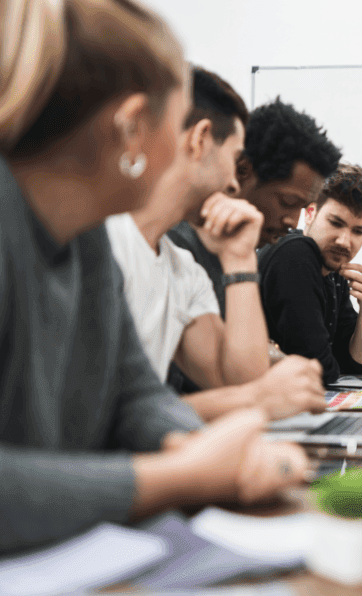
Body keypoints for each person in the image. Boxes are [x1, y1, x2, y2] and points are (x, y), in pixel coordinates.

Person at [0, 0, 309, 554]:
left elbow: (135, 394)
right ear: (132, 126)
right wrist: (182, 476)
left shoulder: (87, 235)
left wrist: (219, 454)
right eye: (178, 116)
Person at [105, 66, 325, 421]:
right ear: (201, 139)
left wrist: (240, 260)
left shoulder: (181, 269)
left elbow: (239, 380)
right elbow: (99, 420)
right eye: (234, 159)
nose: (234, 183)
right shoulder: (101, 242)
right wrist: (254, 400)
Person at [166, 97, 342, 393]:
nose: (292, 221)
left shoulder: (233, 250)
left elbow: (241, 370)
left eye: (303, 208)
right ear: (243, 171)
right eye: (287, 201)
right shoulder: (180, 248)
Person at [258, 163, 362, 384]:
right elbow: (320, 370)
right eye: (335, 223)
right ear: (310, 213)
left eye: (358, 231)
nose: (344, 241)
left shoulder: (333, 269)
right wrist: (331, 364)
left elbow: (358, 364)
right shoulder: (296, 253)